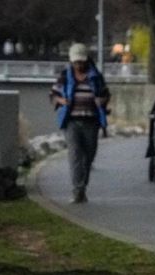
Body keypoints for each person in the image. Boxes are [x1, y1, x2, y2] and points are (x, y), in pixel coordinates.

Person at [50, 43, 110, 204]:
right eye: (76, 62)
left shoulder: (95, 76)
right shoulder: (65, 75)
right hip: (72, 121)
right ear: (71, 61)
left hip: (91, 121)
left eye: (81, 62)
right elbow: (53, 94)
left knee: (88, 157)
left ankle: (82, 187)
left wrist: (101, 101)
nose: (79, 65)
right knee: (75, 155)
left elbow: (106, 94)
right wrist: (62, 100)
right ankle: (77, 190)